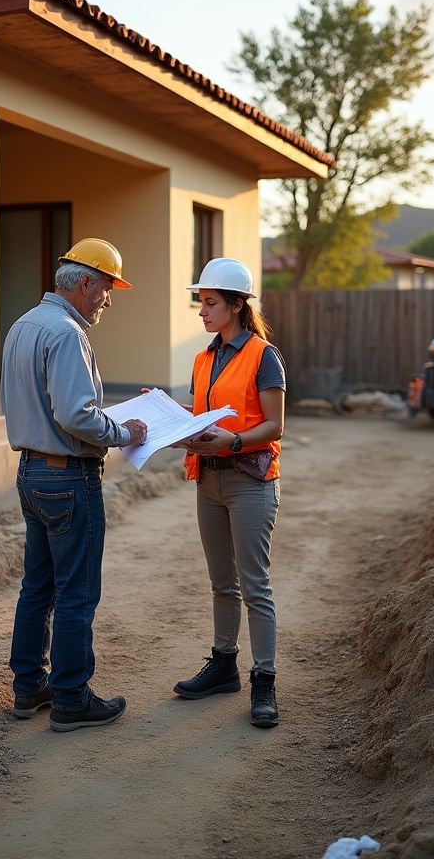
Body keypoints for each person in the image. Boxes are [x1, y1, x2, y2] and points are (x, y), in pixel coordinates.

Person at [0, 237, 147, 732]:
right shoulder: (66, 334)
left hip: (31, 474)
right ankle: (70, 698)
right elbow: (75, 415)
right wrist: (125, 433)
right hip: (69, 478)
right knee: (77, 593)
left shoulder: (24, 324)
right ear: (85, 283)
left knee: (37, 588)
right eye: (107, 288)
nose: (108, 299)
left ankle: (29, 688)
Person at [173, 258, 285, 728]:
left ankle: (264, 680)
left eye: (210, 302)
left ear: (237, 305)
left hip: (249, 481)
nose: (202, 309)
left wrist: (233, 441)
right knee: (222, 583)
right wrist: (165, 415)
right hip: (209, 480)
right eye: (201, 301)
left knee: (254, 585)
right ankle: (223, 666)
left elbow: (275, 425)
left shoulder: (264, 356)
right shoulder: (203, 358)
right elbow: (204, 414)